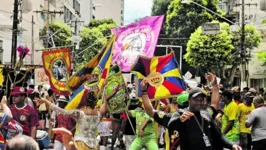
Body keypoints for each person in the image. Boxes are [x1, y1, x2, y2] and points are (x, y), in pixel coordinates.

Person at [141, 74, 242, 150]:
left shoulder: (206, 114)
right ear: (189, 100)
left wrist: (232, 145)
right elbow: (151, 111)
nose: (199, 102)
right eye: (195, 99)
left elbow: (215, 105)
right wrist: (144, 92)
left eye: (201, 99)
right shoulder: (180, 114)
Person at [37, 83, 122, 150]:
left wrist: (46, 101)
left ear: (85, 102)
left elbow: (61, 111)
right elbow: (105, 100)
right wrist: (114, 90)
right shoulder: (100, 113)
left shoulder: (80, 113)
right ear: (95, 103)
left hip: (80, 145)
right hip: (95, 145)